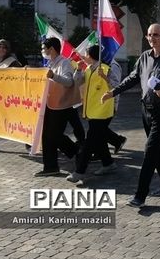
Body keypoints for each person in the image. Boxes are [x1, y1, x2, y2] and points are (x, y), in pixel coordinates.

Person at [101, 23, 160, 208]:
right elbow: (133, 78)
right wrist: (113, 92)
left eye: (156, 34)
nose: (152, 38)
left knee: (150, 150)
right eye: (149, 35)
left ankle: (140, 195)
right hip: (146, 110)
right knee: (159, 148)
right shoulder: (144, 57)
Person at [67, 45, 119, 182]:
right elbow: (77, 81)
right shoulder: (88, 69)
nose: (84, 56)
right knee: (100, 139)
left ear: (91, 56)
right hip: (92, 110)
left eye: (86, 54)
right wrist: (78, 70)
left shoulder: (106, 69)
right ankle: (108, 163)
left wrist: (105, 77)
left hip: (103, 111)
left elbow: (116, 86)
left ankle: (80, 171)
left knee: (89, 142)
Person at [36, 37, 80, 176]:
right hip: (50, 105)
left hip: (61, 107)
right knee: (48, 136)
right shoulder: (50, 63)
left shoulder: (64, 63)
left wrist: (54, 76)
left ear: (52, 49)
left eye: (44, 48)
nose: (42, 51)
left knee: (53, 135)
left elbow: (69, 82)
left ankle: (76, 151)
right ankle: (51, 166)